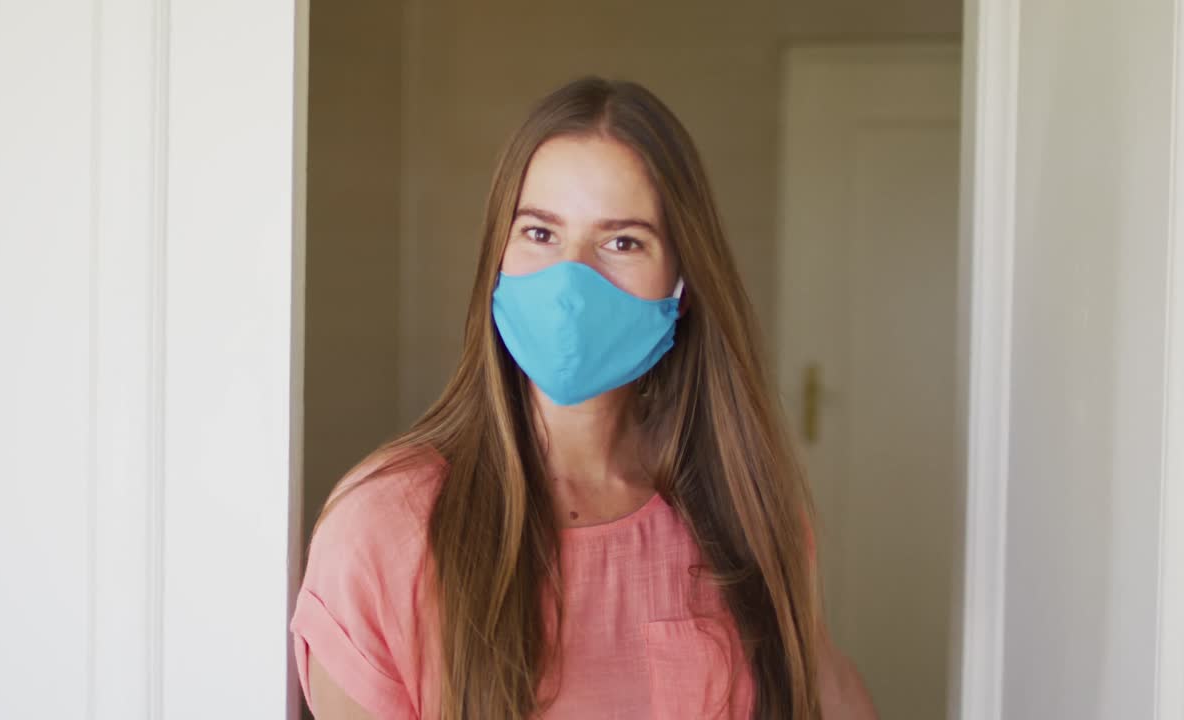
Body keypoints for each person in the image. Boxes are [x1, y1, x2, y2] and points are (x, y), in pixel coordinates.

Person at [290, 75, 878, 720]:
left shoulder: (745, 504)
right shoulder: (386, 526)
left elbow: (826, 690)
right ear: (496, 255)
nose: (571, 283)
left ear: (682, 281)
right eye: (540, 233)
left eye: (622, 242)